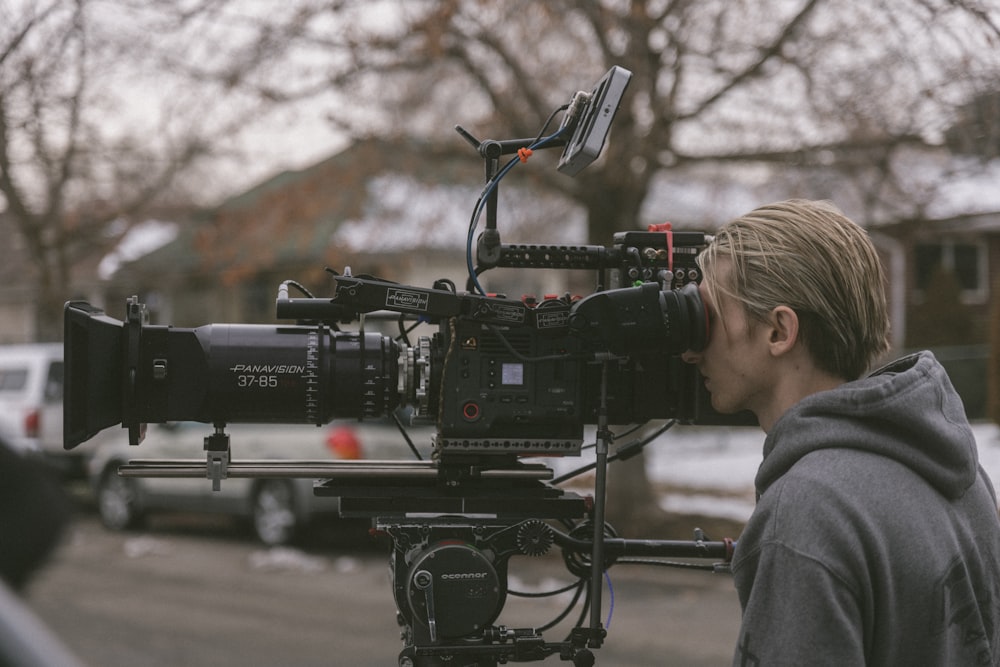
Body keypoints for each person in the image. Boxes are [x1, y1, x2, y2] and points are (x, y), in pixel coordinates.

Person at [681, 199, 1000, 665]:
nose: (693, 352)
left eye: (709, 316)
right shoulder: (959, 470)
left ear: (779, 331)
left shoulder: (808, 510)